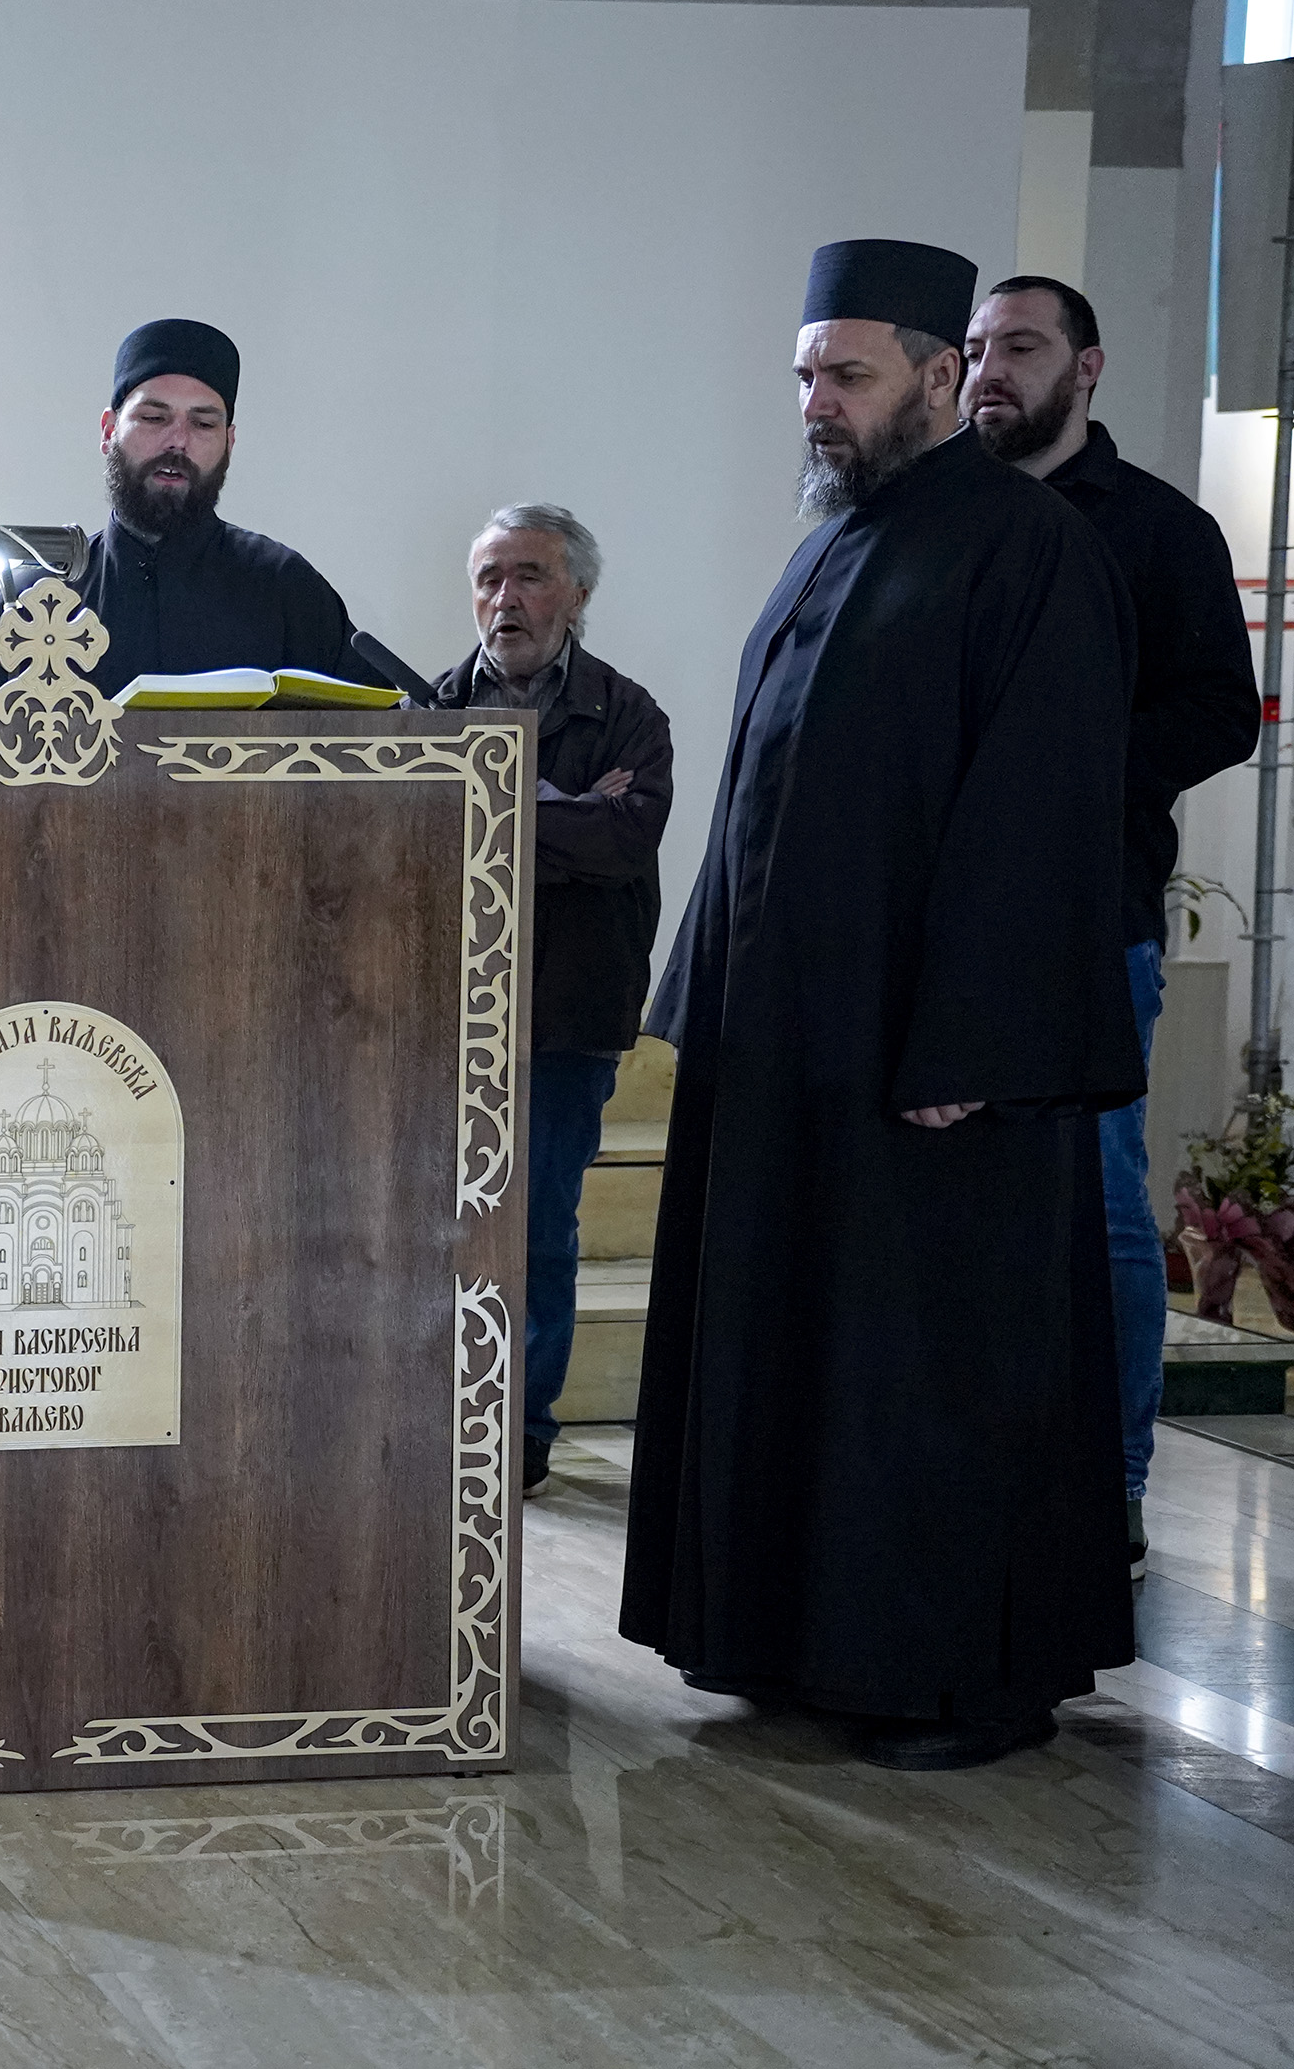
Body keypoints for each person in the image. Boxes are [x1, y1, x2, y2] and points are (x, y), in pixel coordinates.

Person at [626, 239, 1140, 1771]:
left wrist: (975, 1038)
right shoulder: (834, 546)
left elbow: (1042, 814)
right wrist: (706, 999)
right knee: (804, 1353)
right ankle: (799, 1641)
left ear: (940, 373)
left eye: (847, 375)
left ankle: (960, 1679)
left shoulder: (1028, 548)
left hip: (928, 1056)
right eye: (806, 376)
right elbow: (759, 789)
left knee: (929, 1368)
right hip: (791, 1046)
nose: (818, 403)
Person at [962, 276, 1259, 1576]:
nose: (989, 370)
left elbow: (1221, 712)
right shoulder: (936, 514)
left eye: (1020, 347)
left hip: (1092, 913)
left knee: (1099, 1203)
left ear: (1086, 368)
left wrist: (1067, 776)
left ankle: (1114, 1481)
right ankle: (973, 1473)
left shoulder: (1159, 529)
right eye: (976, 347)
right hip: (938, 920)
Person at [428, 506, 673, 1499]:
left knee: (535, 1230)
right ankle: (441, 1417)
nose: (505, 599)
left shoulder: (628, 715)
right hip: (444, 1018)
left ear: (576, 594)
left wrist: (495, 803)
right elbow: (416, 850)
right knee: (436, 1232)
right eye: (489, 578)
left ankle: (519, 1431)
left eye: (528, 576)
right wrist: (564, 806)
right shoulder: (432, 707)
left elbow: (622, 844)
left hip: (566, 1018)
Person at [0, 317, 359, 701]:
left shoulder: (286, 589)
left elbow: (373, 733)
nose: (177, 441)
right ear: (109, 431)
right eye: (153, 417)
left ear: (229, 443)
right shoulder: (32, 600)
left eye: (203, 424)